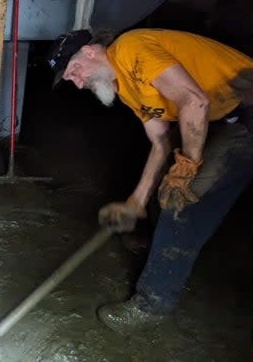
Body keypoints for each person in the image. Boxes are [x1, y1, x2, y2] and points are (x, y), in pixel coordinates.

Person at [47, 28, 253, 334]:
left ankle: (152, 304)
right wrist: (136, 203)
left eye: (74, 71)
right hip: (226, 117)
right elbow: (161, 144)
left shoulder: (130, 48)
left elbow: (195, 102)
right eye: (70, 80)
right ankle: (160, 243)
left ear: (90, 51)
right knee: (171, 181)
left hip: (246, 108)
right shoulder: (127, 87)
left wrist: (189, 166)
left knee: (183, 200)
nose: (78, 83)